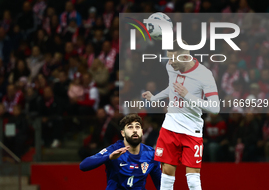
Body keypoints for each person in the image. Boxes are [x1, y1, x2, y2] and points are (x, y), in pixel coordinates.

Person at [142, 40, 220, 190]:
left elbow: (215, 108)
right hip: (170, 127)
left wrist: (187, 95)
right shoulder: (171, 67)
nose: (170, 63)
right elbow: (172, 88)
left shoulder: (204, 75)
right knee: (166, 175)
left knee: (193, 180)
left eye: (173, 59)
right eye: (168, 58)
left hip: (192, 130)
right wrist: (154, 97)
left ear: (185, 58)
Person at [80, 113, 161, 190]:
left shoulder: (151, 154)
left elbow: (160, 184)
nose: (135, 130)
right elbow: (83, 165)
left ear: (142, 132)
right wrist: (109, 157)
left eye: (137, 127)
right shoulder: (113, 150)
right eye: (130, 127)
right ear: (123, 133)